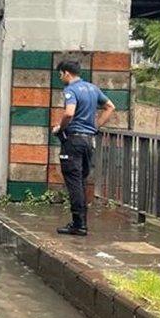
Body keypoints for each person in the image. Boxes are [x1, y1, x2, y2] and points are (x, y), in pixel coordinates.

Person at [52, 61, 116, 236]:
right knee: (81, 180)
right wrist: (95, 126)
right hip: (89, 141)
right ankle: (81, 222)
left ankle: (79, 224)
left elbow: (69, 113)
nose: (60, 78)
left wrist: (61, 128)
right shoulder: (93, 88)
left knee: (74, 183)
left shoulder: (70, 90)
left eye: (60, 74)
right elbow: (110, 107)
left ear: (66, 73)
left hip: (73, 141)